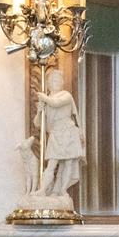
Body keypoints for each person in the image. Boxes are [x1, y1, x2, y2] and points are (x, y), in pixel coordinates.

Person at [34, 68, 84, 197]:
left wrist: (44, 98)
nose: (56, 82)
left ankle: (62, 190)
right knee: (52, 163)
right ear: (49, 83)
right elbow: (38, 124)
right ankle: (43, 190)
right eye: (53, 80)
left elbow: (56, 103)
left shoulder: (65, 95)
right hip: (55, 133)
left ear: (62, 82)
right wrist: (40, 111)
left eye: (58, 79)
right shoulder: (46, 100)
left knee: (68, 163)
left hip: (68, 131)